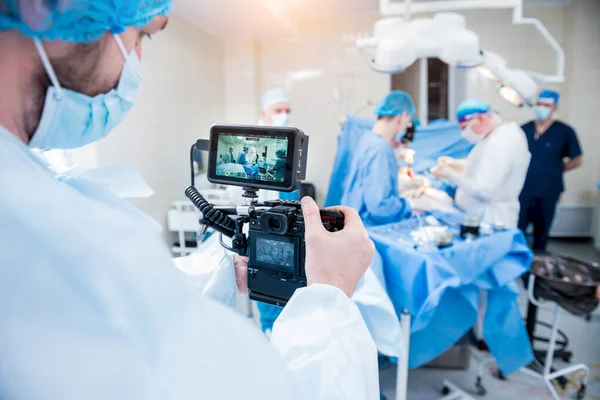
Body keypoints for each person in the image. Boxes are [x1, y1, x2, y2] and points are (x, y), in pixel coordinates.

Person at [0, 2, 380, 399]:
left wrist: (220, 268)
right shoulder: (39, 243)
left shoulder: (29, 198)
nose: (139, 63)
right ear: (43, 8)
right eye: (143, 34)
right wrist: (330, 297)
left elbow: (141, 304)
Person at [434, 100, 531, 228]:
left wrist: (452, 175)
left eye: (465, 127)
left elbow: (484, 190)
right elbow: (485, 166)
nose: (464, 133)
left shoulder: (502, 143)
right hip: (481, 216)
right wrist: (455, 164)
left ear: (480, 118)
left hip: (490, 219)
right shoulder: (495, 134)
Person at [518, 90, 583, 250]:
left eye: (546, 105)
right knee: (518, 229)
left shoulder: (564, 131)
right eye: (539, 104)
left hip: (549, 190)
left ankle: (538, 268)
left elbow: (577, 160)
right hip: (523, 189)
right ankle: (517, 267)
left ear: (555, 108)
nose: (542, 108)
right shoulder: (523, 129)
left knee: (542, 231)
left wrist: (555, 170)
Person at [341, 91, 413, 227]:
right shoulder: (380, 148)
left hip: (354, 223)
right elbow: (380, 206)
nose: (406, 126)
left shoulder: (367, 140)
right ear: (402, 117)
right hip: (369, 229)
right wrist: (410, 205)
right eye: (408, 121)